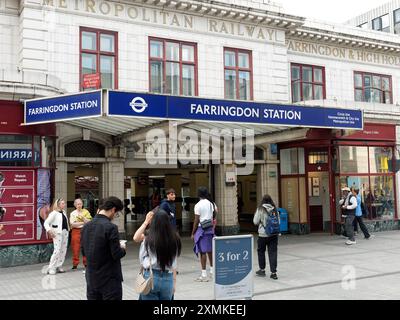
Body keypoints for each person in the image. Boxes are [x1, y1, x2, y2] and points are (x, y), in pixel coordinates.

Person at [81, 196, 126, 300]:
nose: (115, 216)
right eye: (116, 213)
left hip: (91, 279)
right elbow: (116, 254)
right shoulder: (111, 227)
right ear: (113, 210)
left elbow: (84, 251)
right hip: (109, 280)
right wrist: (123, 248)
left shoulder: (86, 227)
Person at [133, 209, 181, 300]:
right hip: (168, 278)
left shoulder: (148, 239)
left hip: (151, 277)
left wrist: (146, 222)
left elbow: (136, 238)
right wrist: (174, 283)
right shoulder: (175, 238)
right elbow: (174, 263)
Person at [191, 186, 217, 282]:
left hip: (202, 229)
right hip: (210, 229)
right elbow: (214, 215)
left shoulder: (198, 205)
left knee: (202, 251)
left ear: (199, 194)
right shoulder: (211, 204)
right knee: (210, 250)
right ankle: (212, 271)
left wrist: (193, 232)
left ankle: (203, 274)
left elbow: (196, 220)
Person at [253, 194, 279, 280]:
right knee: (273, 252)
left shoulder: (260, 209)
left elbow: (255, 221)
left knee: (261, 251)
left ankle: (262, 270)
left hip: (263, 235)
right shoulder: (274, 208)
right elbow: (278, 221)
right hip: (273, 234)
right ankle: (273, 272)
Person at [44, 198, 70, 275]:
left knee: (63, 250)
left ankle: (59, 265)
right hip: (57, 233)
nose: (64, 204)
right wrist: (49, 230)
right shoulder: (54, 213)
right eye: (62, 203)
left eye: (64, 203)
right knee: (57, 250)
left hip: (65, 232)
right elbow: (46, 223)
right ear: (58, 204)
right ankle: (51, 267)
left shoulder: (64, 212)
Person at [70, 198, 92, 270]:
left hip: (85, 230)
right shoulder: (73, 213)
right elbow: (73, 224)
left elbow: (89, 222)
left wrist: (82, 219)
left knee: (85, 247)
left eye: (80, 204)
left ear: (82, 204)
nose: (79, 205)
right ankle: (75, 264)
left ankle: (86, 263)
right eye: (77, 204)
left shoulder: (86, 212)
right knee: (75, 248)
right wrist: (83, 221)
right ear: (75, 205)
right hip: (75, 231)